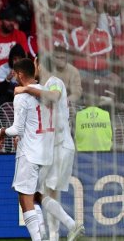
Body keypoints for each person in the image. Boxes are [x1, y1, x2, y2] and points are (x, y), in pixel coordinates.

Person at [14, 55, 85, 241]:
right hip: (55, 146)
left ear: (40, 64)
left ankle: (68, 227)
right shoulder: (43, 87)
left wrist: (25, 88)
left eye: (34, 62)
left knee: (43, 193)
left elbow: (54, 96)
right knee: (43, 193)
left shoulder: (54, 82)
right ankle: (60, 231)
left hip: (60, 146)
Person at [0, 58, 54, 241]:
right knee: (41, 196)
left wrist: (2, 131)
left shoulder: (20, 96)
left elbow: (17, 130)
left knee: (26, 197)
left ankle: (38, 239)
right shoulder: (48, 91)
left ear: (20, 74)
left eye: (15, 74)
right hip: (48, 151)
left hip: (29, 152)